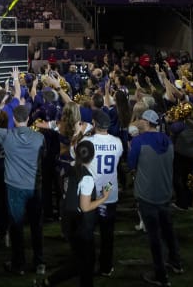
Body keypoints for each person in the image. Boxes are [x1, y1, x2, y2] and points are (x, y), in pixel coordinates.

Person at [0, 93, 46, 276]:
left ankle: (19, 264)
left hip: (15, 188)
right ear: (28, 118)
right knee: (36, 227)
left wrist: (0, 106)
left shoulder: (7, 136)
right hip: (34, 187)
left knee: (17, 227)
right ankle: (39, 263)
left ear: (14, 118)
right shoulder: (39, 138)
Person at [38, 139, 110, 287]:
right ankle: (50, 281)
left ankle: (48, 281)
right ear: (92, 156)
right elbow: (85, 207)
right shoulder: (87, 177)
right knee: (86, 263)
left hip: (67, 218)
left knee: (79, 261)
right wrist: (103, 198)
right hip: (79, 223)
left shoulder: (68, 167)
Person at [128, 109, 179, 286]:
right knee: (168, 230)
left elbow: (131, 164)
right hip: (165, 192)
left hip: (147, 194)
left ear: (146, 122)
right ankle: (176, 262)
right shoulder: (168, 140)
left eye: (141, 120)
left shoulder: (138, 141)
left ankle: (161, 275)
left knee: (154, 236)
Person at [86, 109, 124, 276]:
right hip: (109, 193)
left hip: (92, 194)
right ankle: (106, 266)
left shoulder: (88, 142)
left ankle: (87, 263)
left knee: (87, 232)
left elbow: (74, 153)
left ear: (94, 124)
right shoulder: (117, 142)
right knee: (107, 233)